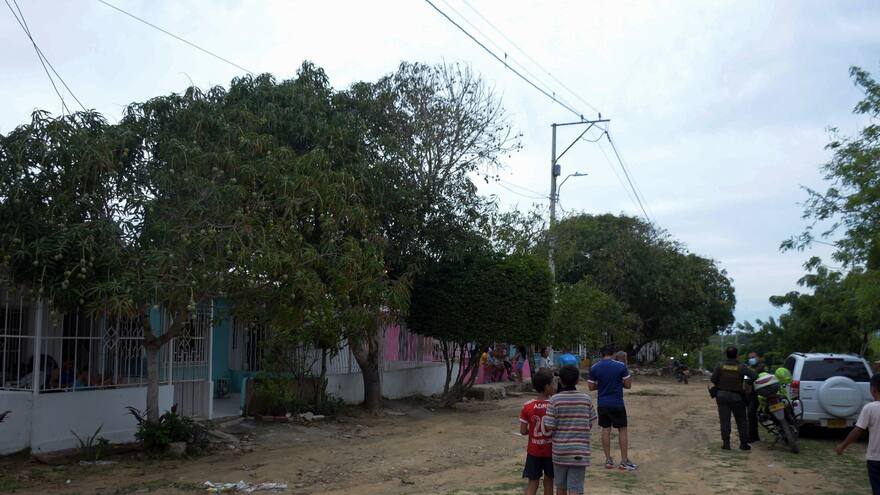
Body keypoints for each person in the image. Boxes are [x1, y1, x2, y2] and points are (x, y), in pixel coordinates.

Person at [543, 365, 596, 495]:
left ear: (560, 380)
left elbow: (549, 426)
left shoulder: (554, 400)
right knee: (576, 488)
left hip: (560, 452)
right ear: (578, 380)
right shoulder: (586, 399)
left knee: (560, 487)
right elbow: (590, 423)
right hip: (579, 451)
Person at [588, 344, 637, 471]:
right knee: (622, 429)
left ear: (602, 354)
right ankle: (624, 461)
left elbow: (591, 387)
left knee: (605, 429)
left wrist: (602, 385)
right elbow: (628, 385)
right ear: (613, 353)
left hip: (603, 403)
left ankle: (608, 460)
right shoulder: (621, 366)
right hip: (617, 403)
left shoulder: (594, 367)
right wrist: (617, 383)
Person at [836, 373, 880, 494]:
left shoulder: (870, 408)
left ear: (873, 389)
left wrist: (842, 446)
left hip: (876, 458)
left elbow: (858, 431)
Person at [710, 346, 756, 451]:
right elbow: (754, 376)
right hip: (737, 397)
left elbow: (713, 379)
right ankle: (744, 444)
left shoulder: (720, 366)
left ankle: (726, 444)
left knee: (725, 421)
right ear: (737, 355)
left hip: (722, 396)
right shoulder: (742, 367)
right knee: (741, 420)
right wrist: (747, 383)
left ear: (726, 354)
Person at [520, 370, 555, 495]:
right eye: (552, 384)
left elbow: (523, 431)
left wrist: (534, 430)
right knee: (549, 480)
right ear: (547, 387)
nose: (554, 386)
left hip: (534, 451)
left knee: (533, 482)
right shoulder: (553, 405)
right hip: (550, 450)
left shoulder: (527, 406)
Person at [746, 351, 761, 443]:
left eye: (753, 357)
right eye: (750, 358)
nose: (751, 359)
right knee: (751, 415)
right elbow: (746, 380)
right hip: (752, 395)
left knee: (751, 414)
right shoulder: (748, 369)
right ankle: (753, 436)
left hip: (762, 393)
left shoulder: (762, 367)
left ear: (757, 358)